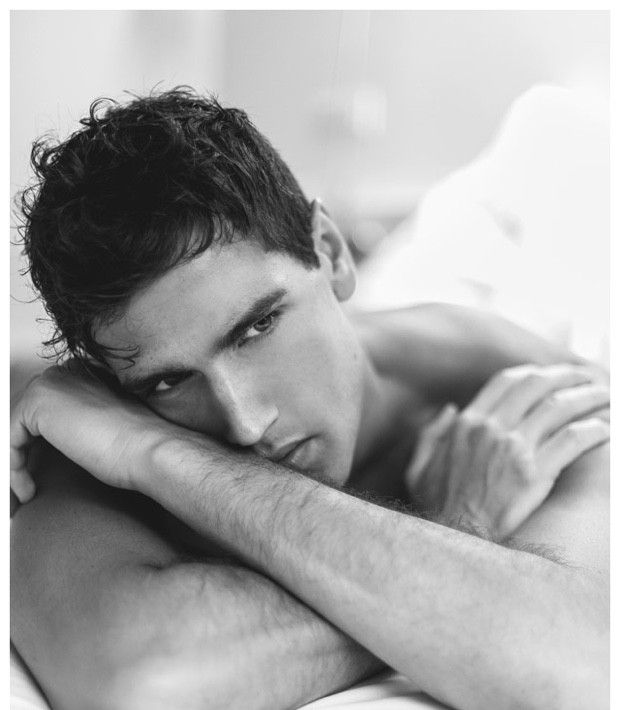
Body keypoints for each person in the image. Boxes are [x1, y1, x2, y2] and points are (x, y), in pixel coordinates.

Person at [10, 87, 609, 710]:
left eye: (257, 327)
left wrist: (159, 453)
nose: (245, 424)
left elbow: (580, 658)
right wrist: (461, 529)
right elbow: (147, 685)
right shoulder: (95, 431)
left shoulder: (528, 393)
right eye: (169, 381)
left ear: (331, 252)